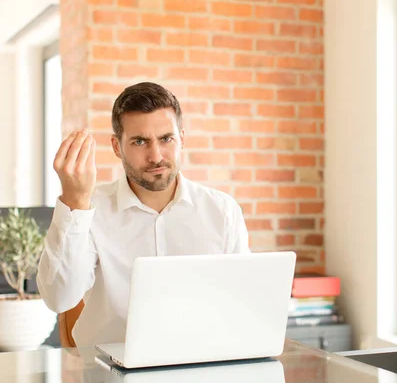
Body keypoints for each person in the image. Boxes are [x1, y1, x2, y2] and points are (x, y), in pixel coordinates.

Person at [36, 82, 250, 348]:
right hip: (109, 377)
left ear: (182, 138)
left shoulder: (223, 211)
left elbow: (241, 305)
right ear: (117, 147)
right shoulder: (90, 210)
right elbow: (59, 298)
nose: (156, 156)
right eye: (140, 141)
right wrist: (75, 200)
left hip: (201, 367)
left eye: (166, 139)